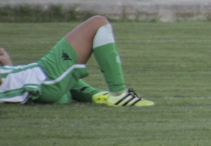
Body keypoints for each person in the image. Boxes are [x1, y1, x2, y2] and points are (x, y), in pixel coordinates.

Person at [1, 15, 153, 106]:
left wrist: (8, 66)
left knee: (68, 85)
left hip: (36, 88)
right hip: (44, 79)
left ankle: (97, 95)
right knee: (98, 23)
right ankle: (119, 93)